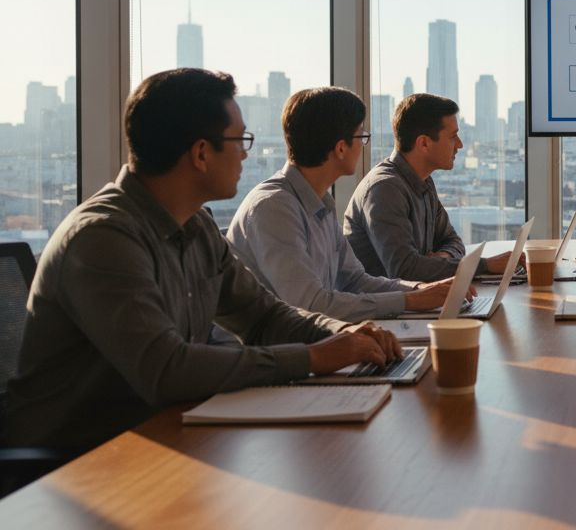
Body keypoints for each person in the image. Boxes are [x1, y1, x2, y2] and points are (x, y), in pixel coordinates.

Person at [4, 69, 400, 452]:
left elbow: (264, 317)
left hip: (166, 437)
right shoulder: (102, 238)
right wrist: (315, 356)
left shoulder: (196, 227)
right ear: (200, 153)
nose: (247, 154)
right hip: (73, 467)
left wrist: (346, 336)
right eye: (239, 140)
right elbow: (167, 370)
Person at [227, 87, 463, 321]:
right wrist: (410, 301)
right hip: (280, 351)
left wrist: (420, 290)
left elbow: (355, 281)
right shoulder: (273, 207)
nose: (363, 145)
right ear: (341, 148)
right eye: (361, 136)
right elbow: (310, 305)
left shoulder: (319, 204)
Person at [344, 94, 514, 282]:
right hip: (385, 309)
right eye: (452, 137)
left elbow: (453, 241)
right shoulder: (384, 189)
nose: (459, 145)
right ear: (424, 143)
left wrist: (443, 258)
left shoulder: (423, 182)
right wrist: (485, 266)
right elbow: (406, 270)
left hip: (414, 303)